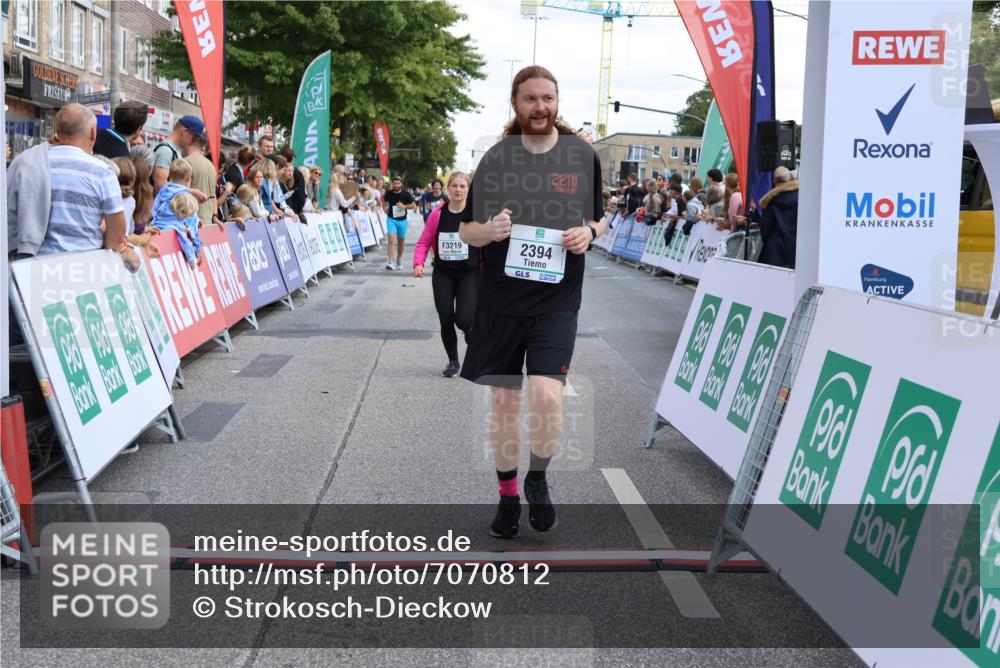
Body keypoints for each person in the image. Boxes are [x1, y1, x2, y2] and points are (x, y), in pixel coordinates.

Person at [458, 65, 606, 538]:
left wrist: (590, 232)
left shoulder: (581, 155)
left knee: (545, 396)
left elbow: (600, 218)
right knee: (504, 403)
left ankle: (537, 477)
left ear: (557, 102)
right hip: (500, 302)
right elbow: (465, 230)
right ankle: (506, 498)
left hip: (557, 300)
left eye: (548, 98)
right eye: (531, 99)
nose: (540, 107)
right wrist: (489, 230)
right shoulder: (498, 159)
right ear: (515, 103)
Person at [8, 104, 127, 258]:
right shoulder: (102, 172)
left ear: (57, 130)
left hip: (29, 266)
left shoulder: (26, 161)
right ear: (92, 132)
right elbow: (116, 239)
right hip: (84, 268)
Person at [412, 172, 478, 377]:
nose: (458, 190)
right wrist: (418, 263)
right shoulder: (437, 214)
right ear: (448, 188)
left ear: (468, 189)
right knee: (446, 317)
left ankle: (469, 330)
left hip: (470, 273)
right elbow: (424, 241)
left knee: (464, 319)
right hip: (444, 273)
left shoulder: (478, 214)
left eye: (463, 186)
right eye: (455, 186)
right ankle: (453, 361)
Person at [150, 159, 203, 266]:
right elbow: (191, 225)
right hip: (177, 235)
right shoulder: (187, 198)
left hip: (157, 229)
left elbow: (154, 209)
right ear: (189, 178)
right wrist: (198, 249)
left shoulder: (164, 190)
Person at [754, 166, 799, 269]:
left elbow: (765, 230)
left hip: (774, 252)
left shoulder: (769, 201)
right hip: (796, 251)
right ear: (790, 179)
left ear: (774, 181)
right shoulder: (803, 198)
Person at [153, 115, 206, 193]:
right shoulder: (166, 151)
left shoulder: (175, 151)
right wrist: (191, 191)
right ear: (185, 132)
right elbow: (161, 186)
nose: (195, 141)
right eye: (195, 137)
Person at [383, 176, 416, 270]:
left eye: (398, 183)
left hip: (402, 221)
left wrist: (404, 206)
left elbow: (414, 205)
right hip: (391, 219)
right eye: (394, 183)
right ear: (392, 184)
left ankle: (399, 259)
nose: (396, 185)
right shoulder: (388, 193)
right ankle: (391, 262)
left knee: (401, 242)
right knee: (391, 240)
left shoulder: (406, 194)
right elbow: (384, 202)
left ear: (401, 184)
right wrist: (384, 208)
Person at [185, 137, 218, 228]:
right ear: (203, 147)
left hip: (191, 223)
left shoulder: (185, 162)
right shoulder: (211, 165)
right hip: (207, 221)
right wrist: (215, 216)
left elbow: (177, 191)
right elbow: (213, 195)